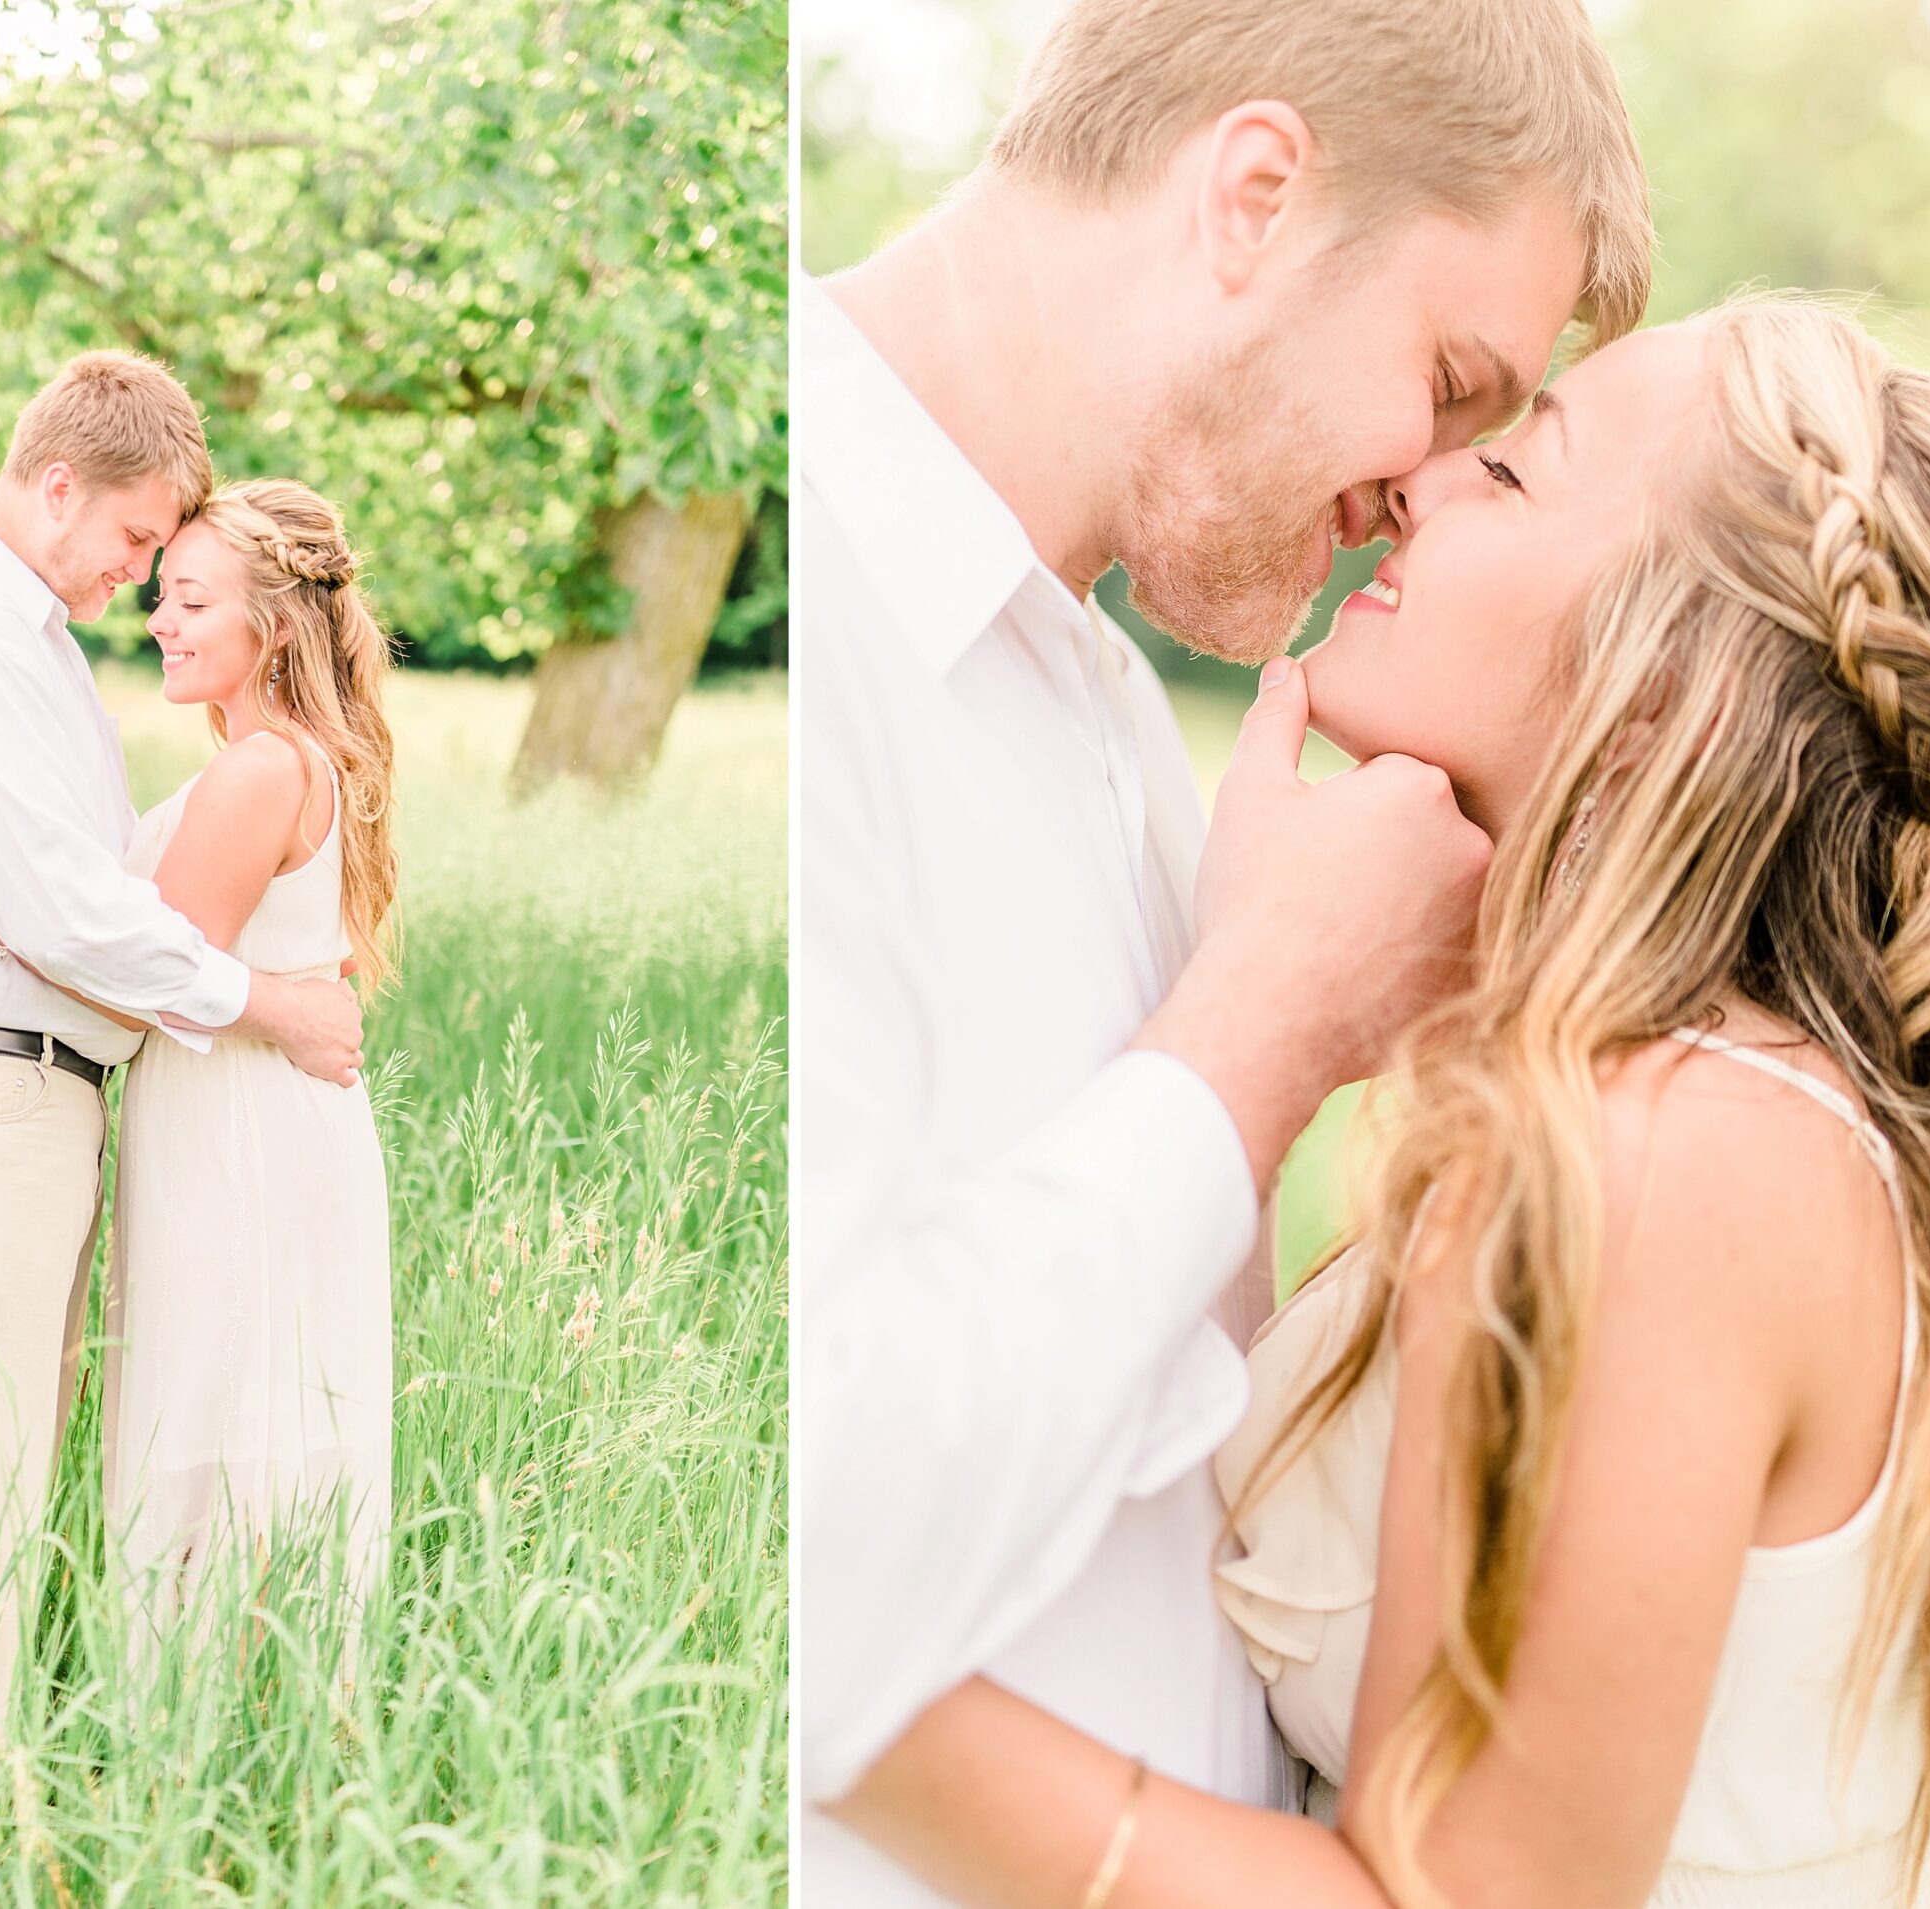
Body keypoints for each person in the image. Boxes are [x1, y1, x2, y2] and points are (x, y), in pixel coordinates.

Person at [834, 298, 1930, 1909]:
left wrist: (856, 1671)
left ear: (1660, 692)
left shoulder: (1662, 1165)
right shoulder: (1704, 1119)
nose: (1421, 478)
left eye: (1518, 468)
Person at [798, 0, 1651, 1898]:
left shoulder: (1113, 713)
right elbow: (785, 1519)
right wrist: (1263, 1031)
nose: (1418, 481)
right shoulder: (826, 631)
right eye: (1448, 377)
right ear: (1253, 196)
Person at [0, 353, 365, 1867]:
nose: (136, 577)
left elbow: (77, 898)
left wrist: (11, 897)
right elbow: (91, 918)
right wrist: (273, 1004)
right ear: (59, 485)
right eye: (135, 539)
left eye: (171, 559)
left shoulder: (21, 633)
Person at [0, 478, 397, 1660]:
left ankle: (205, 1721)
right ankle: (243, 1718)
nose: (159, 621)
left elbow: (147, 984)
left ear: (270, 628)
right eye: (161, 596)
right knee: (241, 1408)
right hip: (236, 1108)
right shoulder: (279, 759)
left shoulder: (260, 771)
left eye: (189, 600)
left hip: (239, 1132)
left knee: (226, 1413)